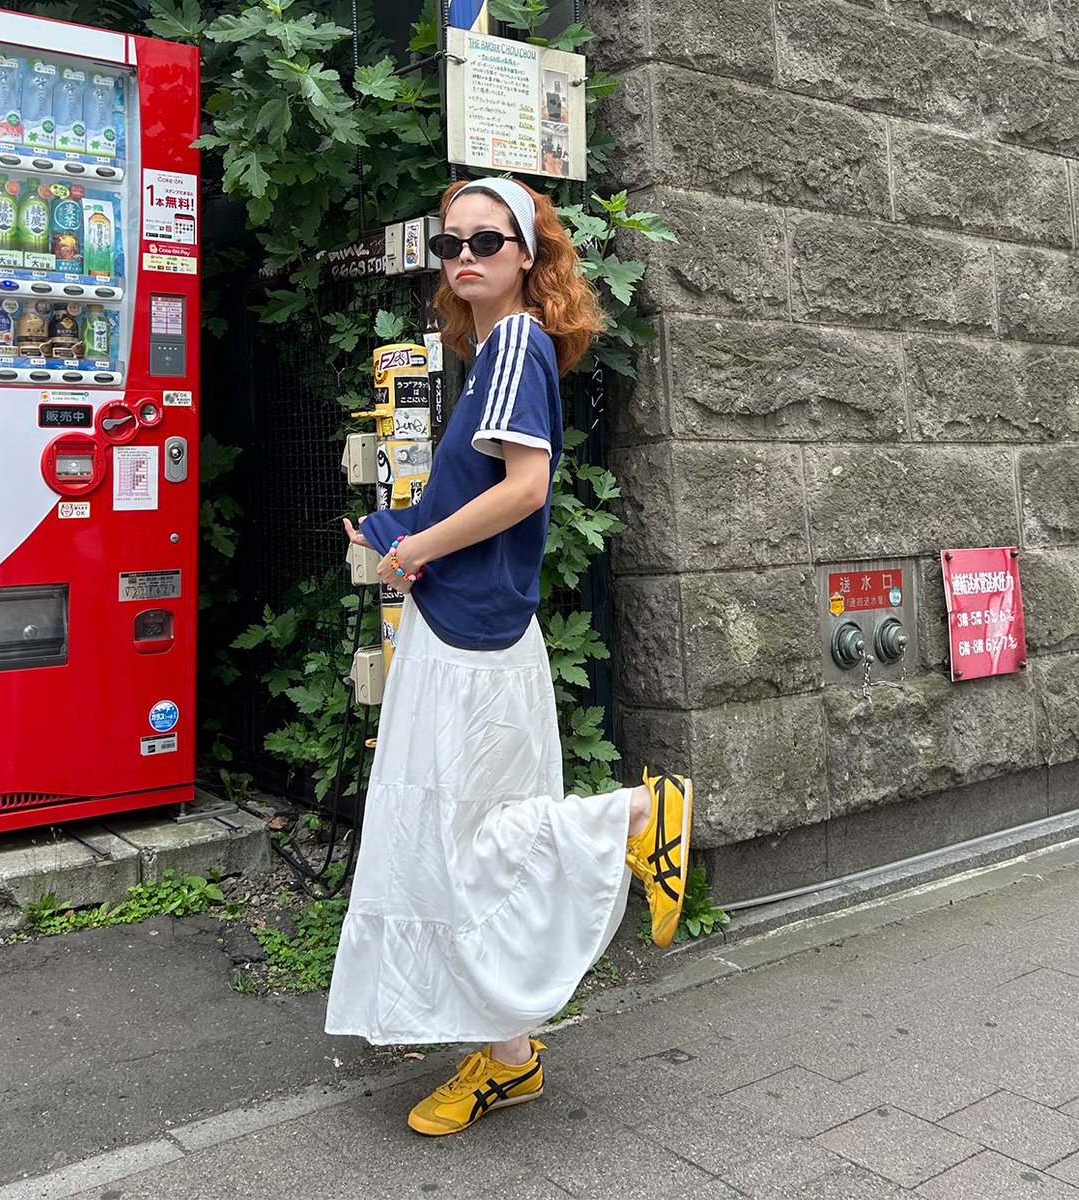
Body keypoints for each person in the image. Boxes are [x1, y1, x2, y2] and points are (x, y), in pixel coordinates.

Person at [325, 176, 693, 1136]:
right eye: (449, 246)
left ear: (528, 254)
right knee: (457, 839)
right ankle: (509, 1057)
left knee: (464, 839)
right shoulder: (493, 352)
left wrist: (415, 550)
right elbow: (472, 498)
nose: (464, 259)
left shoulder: (519, 342)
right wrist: (393, 527)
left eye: (486, 241)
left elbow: (526, 490)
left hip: (472, 637)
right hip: (474, 626)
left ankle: (635, 821)